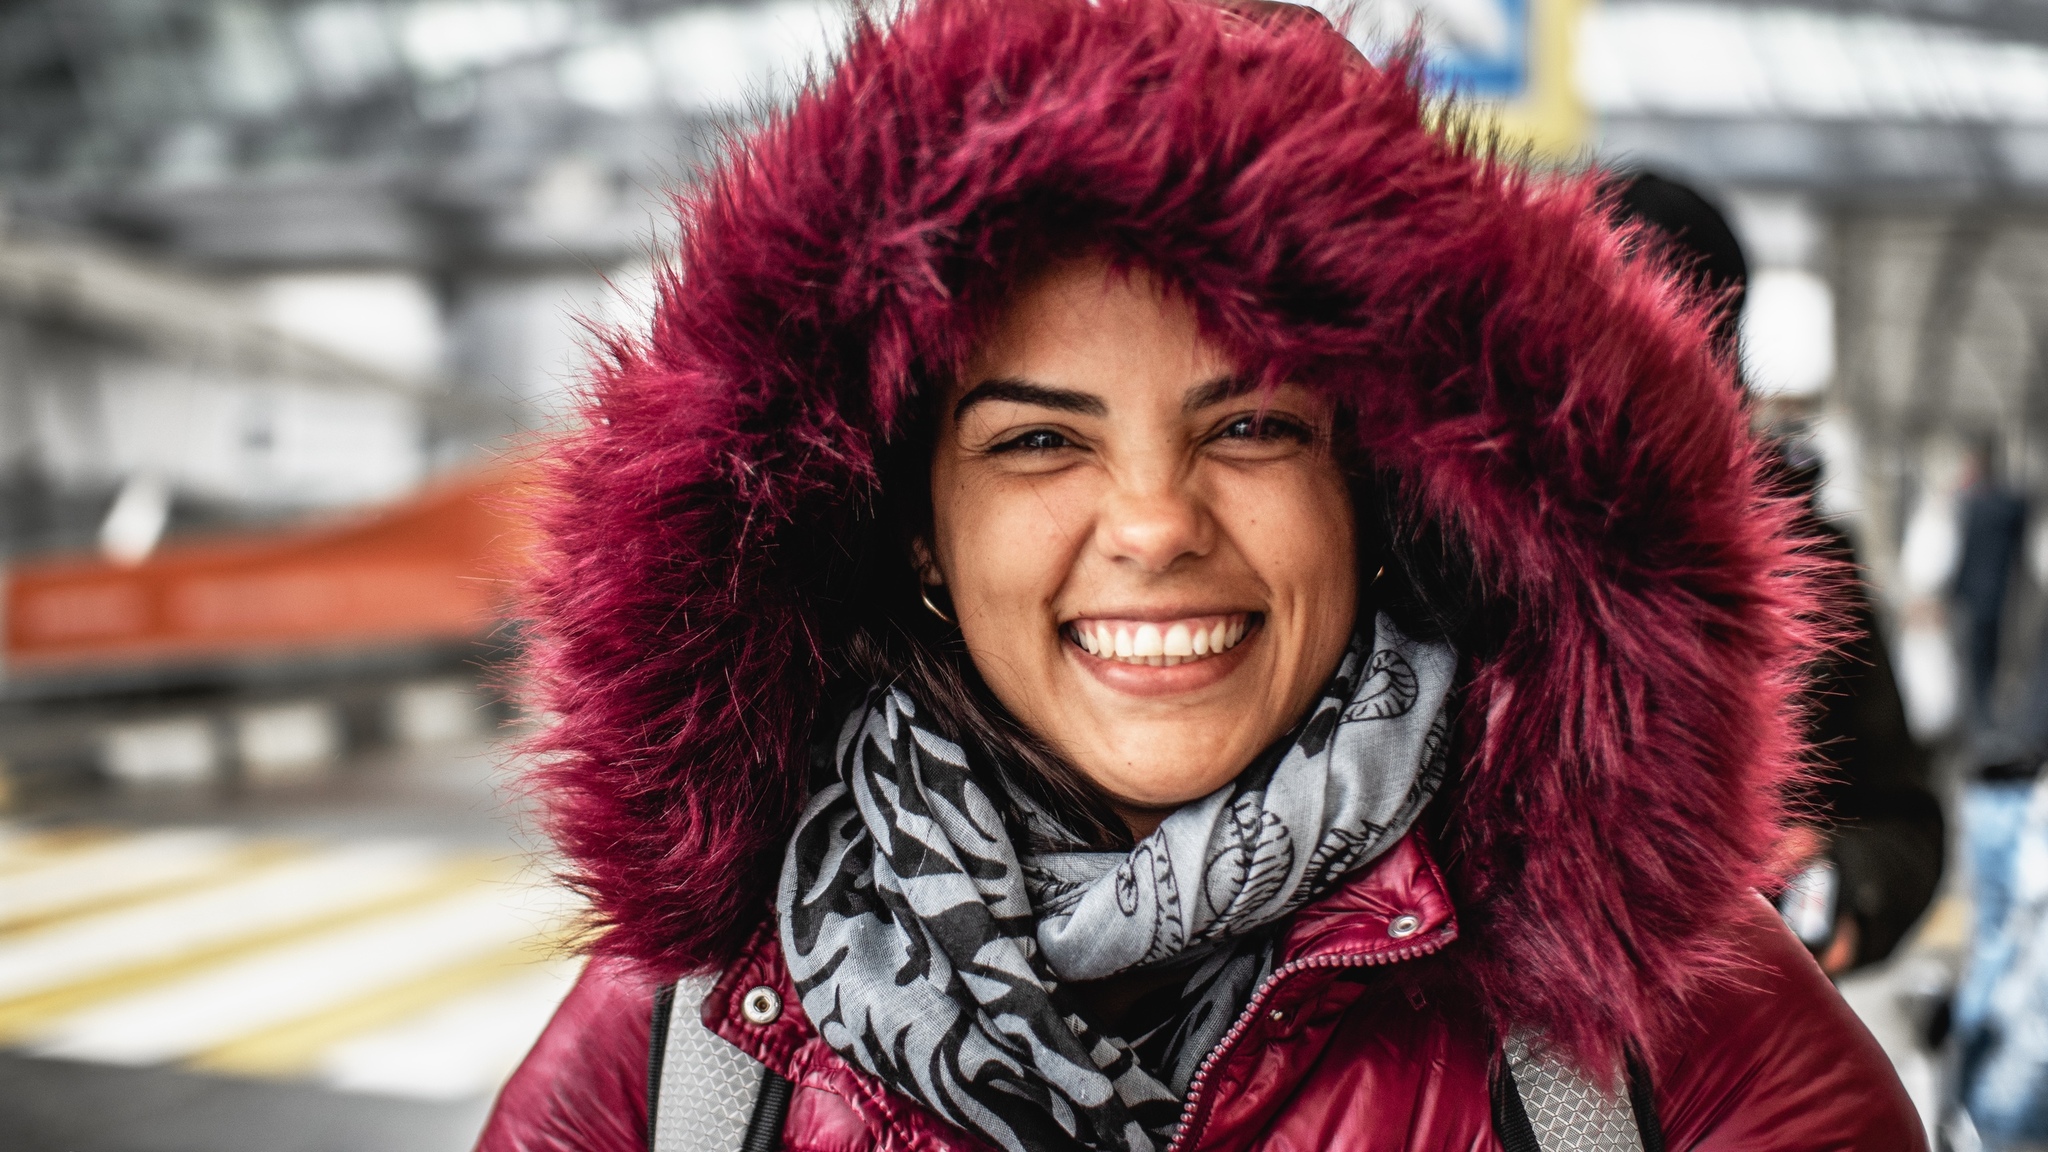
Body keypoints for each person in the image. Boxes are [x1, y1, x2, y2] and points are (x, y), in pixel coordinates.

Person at [479, 1, 1921, 1148]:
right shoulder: (688, 1051)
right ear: (914, 525)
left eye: (1250, 425)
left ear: (1375, 493)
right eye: (1041, 439)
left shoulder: (1666, 1034)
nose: (1156, 522)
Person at [1606, 172, 1944, 976]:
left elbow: (1905, 822)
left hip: (1746, 1047)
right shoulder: (1473, 552)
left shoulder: (1803, 560)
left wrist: (1841, 887)